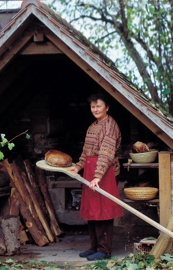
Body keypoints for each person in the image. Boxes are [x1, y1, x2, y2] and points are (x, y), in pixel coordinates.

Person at [69, 93, 123, 261]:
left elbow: (106, 153)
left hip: (104, 173)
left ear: (107, 107)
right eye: (93, 106)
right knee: (93, 211)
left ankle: (104, 250)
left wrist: (98, 176)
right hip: (90, 172)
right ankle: (94, 247)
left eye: (99, 106)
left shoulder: (110, 126)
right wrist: (77, 167)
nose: (95, 109)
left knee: (103, 212)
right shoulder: (92, 126)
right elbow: (86, 152)